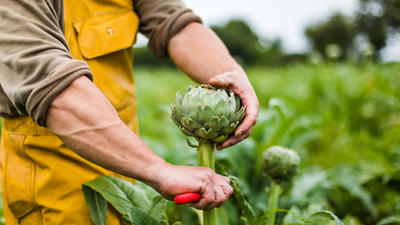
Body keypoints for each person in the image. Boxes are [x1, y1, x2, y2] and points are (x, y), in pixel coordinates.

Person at [0, 0, 259, 224]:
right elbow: (52, 86)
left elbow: (173, 22)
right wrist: (160, 171)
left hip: (131, 168)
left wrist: (232, 76)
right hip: (54, 184)